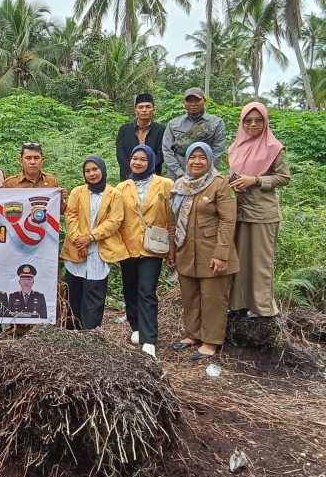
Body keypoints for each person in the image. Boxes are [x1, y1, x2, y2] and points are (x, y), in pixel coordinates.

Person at [168, 142, 239, 360]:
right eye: (192, 157)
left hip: (212, 251)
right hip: (185, 250)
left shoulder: (219, 184)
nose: (197, 161)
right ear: (186, 160)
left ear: (210, 160)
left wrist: (221, 254)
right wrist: (172, 251)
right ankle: (193, 334)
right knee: (190, 295)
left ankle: (211, 341)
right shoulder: (180, 185)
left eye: (202, 157)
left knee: (213, 297)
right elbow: (172, 220)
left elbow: (228, 221)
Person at [228, 102, 290, 318]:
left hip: (263, 212)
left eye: (258, 120)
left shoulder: (273, 148)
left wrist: (255, 180)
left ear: (266, 122)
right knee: (239, 261)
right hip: (239, 211)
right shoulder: (235, 147)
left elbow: (284, 178)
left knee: (261, 262)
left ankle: (263, 308)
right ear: (241, 122)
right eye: (248, 120)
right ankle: (238, 305)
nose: (253, 124)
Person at [115, 146, 175, 358]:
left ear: (150, 161)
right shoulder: (122, 187)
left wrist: (172, 248)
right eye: (134, 158)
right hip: (128, 245)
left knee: (146, 291)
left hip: (153, 246)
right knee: (130, 288)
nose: (138, 162)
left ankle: (149, 338)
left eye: (142, 159)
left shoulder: (166, 184)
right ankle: (137, 327)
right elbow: (115, 216)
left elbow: (171, 217)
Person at [60, 156, 128, 330]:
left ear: (102, 170)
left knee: (94, 294)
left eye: (95, 169)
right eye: (87, 170)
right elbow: (70, 216)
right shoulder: (77, 192)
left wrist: (90, 238)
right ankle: (72, 332)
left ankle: (90, 333)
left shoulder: (115, 195)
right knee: (74, 295)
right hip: (76, 249)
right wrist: (79, 242)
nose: (92, 173)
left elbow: (114, 221)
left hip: (99, 249)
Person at [162, 87, 227, 180]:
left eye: (197, 100)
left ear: (204, 101)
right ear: (184, 102)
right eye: (189, 101)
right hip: (176, 177)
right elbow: (167, 150)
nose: (193, 104)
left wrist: (203, 173)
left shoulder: (216, 123)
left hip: (204, 178)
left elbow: (218, 150)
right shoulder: (173, 124)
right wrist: (180, 173)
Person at [2, 142, 68, 212]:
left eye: (36, 158)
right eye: (28, 158)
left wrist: (61, 199)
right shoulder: (10, 184)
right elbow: (0, 209)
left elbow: (61, 211)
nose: (33, 162)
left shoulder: (51, 181)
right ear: (21, 161)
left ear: (42, 161)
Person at [116, 93, 166, 181]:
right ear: (135, 110)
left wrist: (148, 170)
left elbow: (161, 154)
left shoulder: (161, 130)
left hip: (153, 177)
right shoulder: (124, 130)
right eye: (141, 107)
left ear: (153, 110)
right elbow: (121, 154)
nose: (144, 110)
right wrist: (132, 171)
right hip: (128, 177)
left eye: (148, 107)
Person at [6, 264, 48, 337]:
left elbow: (43, 317)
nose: (26, 282)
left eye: (29, 279)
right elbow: (9, 316)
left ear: (33, 281)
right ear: (19, 281)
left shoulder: (40, 297)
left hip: (35, 332)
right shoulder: (13, 297)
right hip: (16, 331)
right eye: (23, 279)